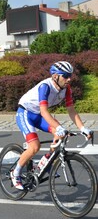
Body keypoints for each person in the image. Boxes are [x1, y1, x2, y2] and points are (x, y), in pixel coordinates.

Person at [11, 61, 92, 190]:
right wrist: (58, 127)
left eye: (70, 75)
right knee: (34, 147)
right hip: (26, 113)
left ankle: (46, 163)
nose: (69, 79)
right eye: (65, 76)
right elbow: (44, 111)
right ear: (55, 76)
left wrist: (83, 128)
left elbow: (71, 109)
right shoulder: (46, 87)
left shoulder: (66, 88)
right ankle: (15, 173)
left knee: (60, 136)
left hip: (39, 114)